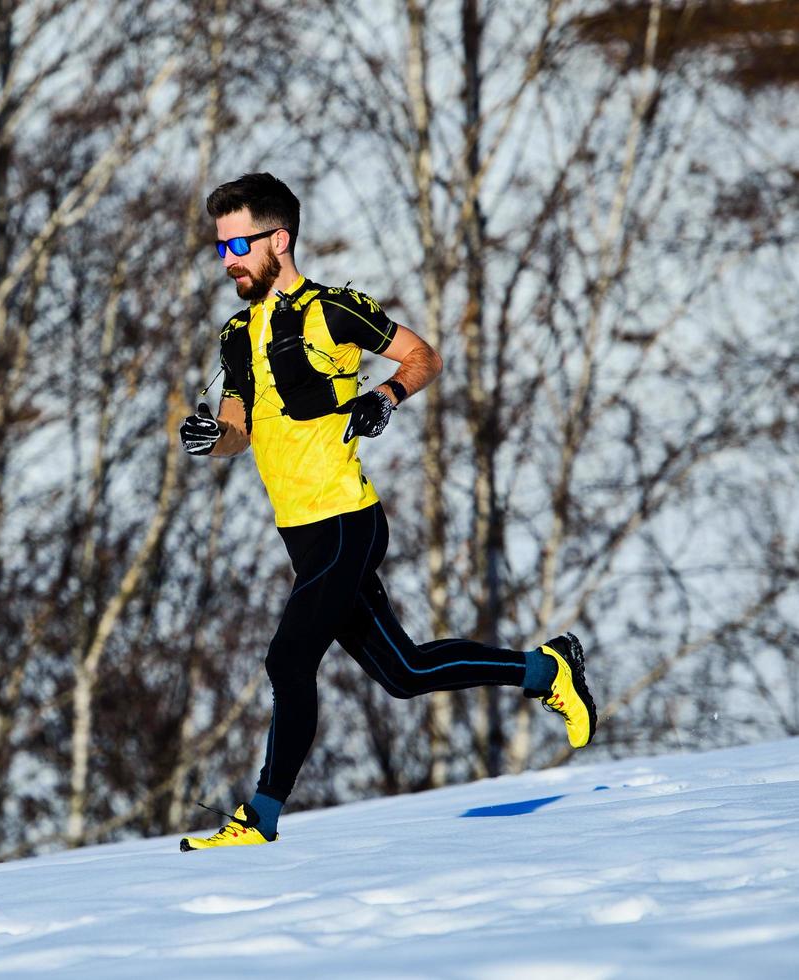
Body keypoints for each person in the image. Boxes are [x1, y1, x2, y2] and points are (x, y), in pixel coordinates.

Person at [177, 172, 596, 851]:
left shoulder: (336, 310)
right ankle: (547, 670)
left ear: (278, 241)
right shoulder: (234, 335)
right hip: (301, 535)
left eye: (237, 246)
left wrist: (387, 397)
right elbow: (238, 430)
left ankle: (261, 816)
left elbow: (422, 355)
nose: (227, 262)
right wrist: (210, 439)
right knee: (403, 673)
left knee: (288, 662)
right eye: (220, 249)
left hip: (348, 520)